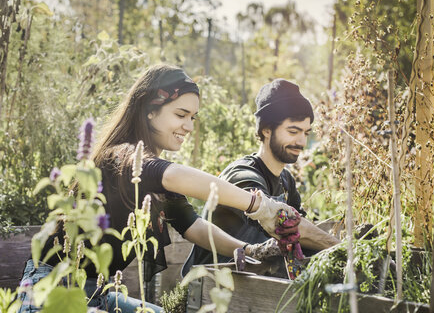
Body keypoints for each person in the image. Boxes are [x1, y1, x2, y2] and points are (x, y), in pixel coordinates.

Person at [17, 65, 297, 313]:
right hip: (51, 291)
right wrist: (258, 205)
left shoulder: (152, 176)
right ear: (150, 111)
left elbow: (195, 227)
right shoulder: (121, 158)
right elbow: (173, 174)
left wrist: (251, 249)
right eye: (181, 114)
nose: (188, 126)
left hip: (98, 294)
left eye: (193, 118)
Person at [183, 79, 340, 274]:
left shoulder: (285, 180)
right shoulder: (243, 175)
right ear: (266, 129)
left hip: (258, 284)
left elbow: (302, 235)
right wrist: (342, 249)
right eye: (293, 131)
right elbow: (283, 225)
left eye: (306, 133)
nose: (301, 141)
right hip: (213, 286)